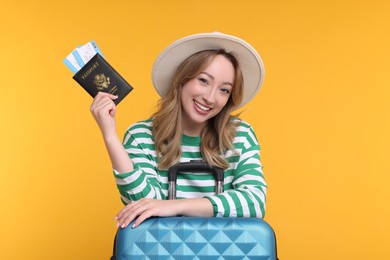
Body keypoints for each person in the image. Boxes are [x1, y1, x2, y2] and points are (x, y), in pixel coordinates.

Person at [90, 32, 267, 229]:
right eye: (203, 80)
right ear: (182, 79)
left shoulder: (240, 135)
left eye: (224, 90)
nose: (210, 97)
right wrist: (109, 135)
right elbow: (143, 206)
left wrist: (174, 206)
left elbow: (254, 201)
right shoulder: (141, 136)